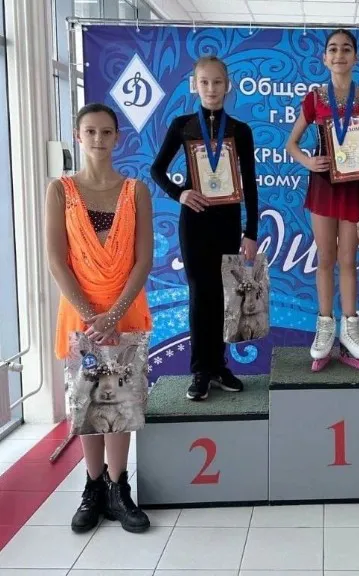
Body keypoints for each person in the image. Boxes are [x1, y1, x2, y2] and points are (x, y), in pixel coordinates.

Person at [45, 103, 152, 533]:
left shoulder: (136, 191)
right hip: (80, 315)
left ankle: (118, 487)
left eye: (106, 132)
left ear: (117, 137)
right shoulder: (60, 190)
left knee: (121, 404)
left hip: (125, 310)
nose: (98, 139)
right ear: (78, 135)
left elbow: (143, 260)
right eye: (90, 131)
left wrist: (114, 315)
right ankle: (92, 487)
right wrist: (93, 317)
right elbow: (57, 261)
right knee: (87, 401)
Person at [151, 55, 259, 401]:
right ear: (194, 86)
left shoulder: (240, 130)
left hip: (228, 222)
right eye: (205, 82)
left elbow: (250, 183)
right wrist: (180, 194)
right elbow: (156, 170)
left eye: (217, 82)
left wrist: (251, 231)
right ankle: (200, 370)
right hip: (195, 221)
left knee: (225, 296)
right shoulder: (182, 125)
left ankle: (220, 366)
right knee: (200, 295)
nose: (211, 88)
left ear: (228, 86)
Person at [285, 28, 359, 370]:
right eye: (333, 49)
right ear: (324, 58)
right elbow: (291, 143)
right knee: (325, 257)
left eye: (346, 49)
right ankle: (325, 326)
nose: (339, 55)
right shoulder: (314, 98)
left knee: (348, 259)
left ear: (356, 57)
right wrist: (308, 161)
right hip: (324, 183)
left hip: (355, 186)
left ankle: (350, 330)